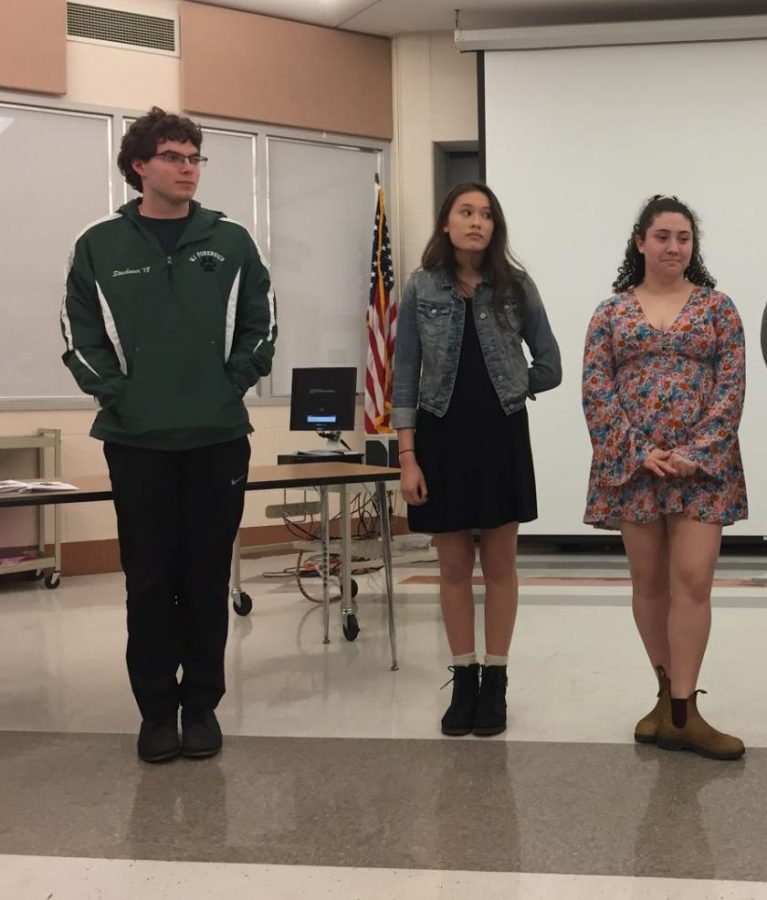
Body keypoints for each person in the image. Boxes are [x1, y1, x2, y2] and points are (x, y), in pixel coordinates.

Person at [60, 107, 277, 763]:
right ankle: (156, 712)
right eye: (174, 157)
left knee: (207, 577)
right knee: (149, 581)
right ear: (139, 166)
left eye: (194, 158)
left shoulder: (231, 240)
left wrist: (228, 384)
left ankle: (201, 707)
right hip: (137, 441)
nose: (188, 169)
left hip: (216, 438)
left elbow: (261, 328)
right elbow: (79, 336)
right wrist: (122, 396)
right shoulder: (98, 244)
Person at [392, 182, 561, 737]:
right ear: (446, 222)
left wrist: (509, 388)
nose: (476, 222)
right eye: (466, 212)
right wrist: (408, 458)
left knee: (502, 567)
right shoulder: (421, 288)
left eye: (486, 215)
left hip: (500, 437)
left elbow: (551, 364)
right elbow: (404, 379)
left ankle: (496, 682)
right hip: (440, 442)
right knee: (454, 570)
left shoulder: (514, 286)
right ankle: (462, 679)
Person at [582, 194, 746, 760]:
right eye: (662, 236)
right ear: (640, 243)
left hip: (703, 471)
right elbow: (596, 389)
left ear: (692, 246)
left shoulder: (719, 308)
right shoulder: (610, 312)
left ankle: (685, 709)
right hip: (634, 469)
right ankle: (663, 698)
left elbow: (731, 390)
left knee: (693, 581)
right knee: (648, 583)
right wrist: (637, 451)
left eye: (683, 237)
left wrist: (695, 452)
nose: (673, 246)